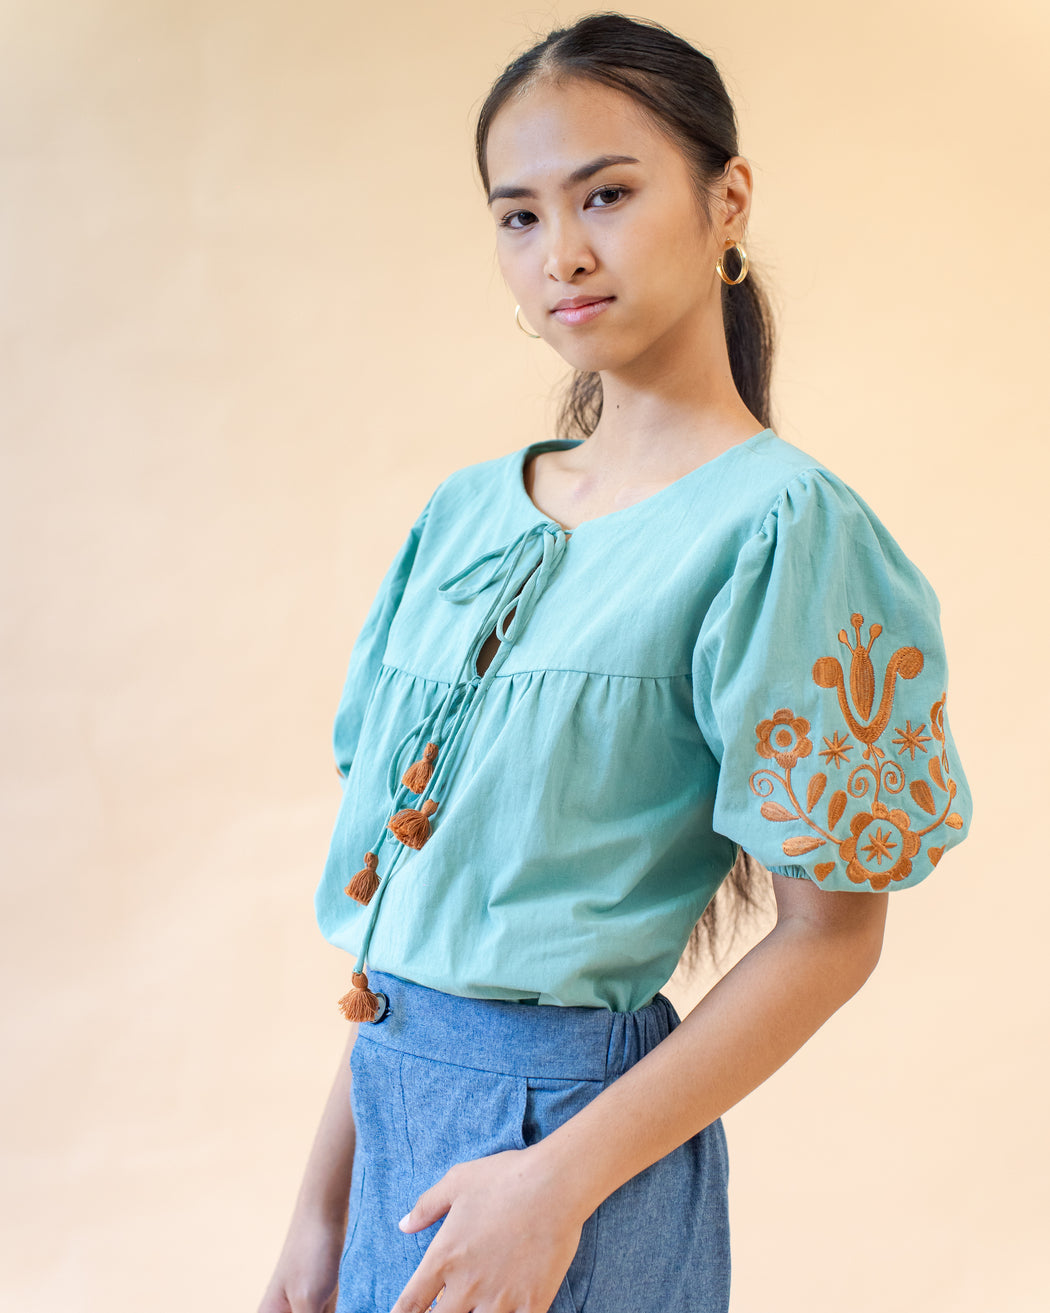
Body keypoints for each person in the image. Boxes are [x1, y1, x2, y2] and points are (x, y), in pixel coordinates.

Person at [258, 13, 972, 1313]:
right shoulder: (465, 517)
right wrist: (318, 1214)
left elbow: (832, 935)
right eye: (518, 215)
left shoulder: (781, 531)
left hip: (576, 1156)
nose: (562, 253)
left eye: (606, 194)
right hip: (391, 1127)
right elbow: (405, 928)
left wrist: (554, 1184)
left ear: (725, 200)